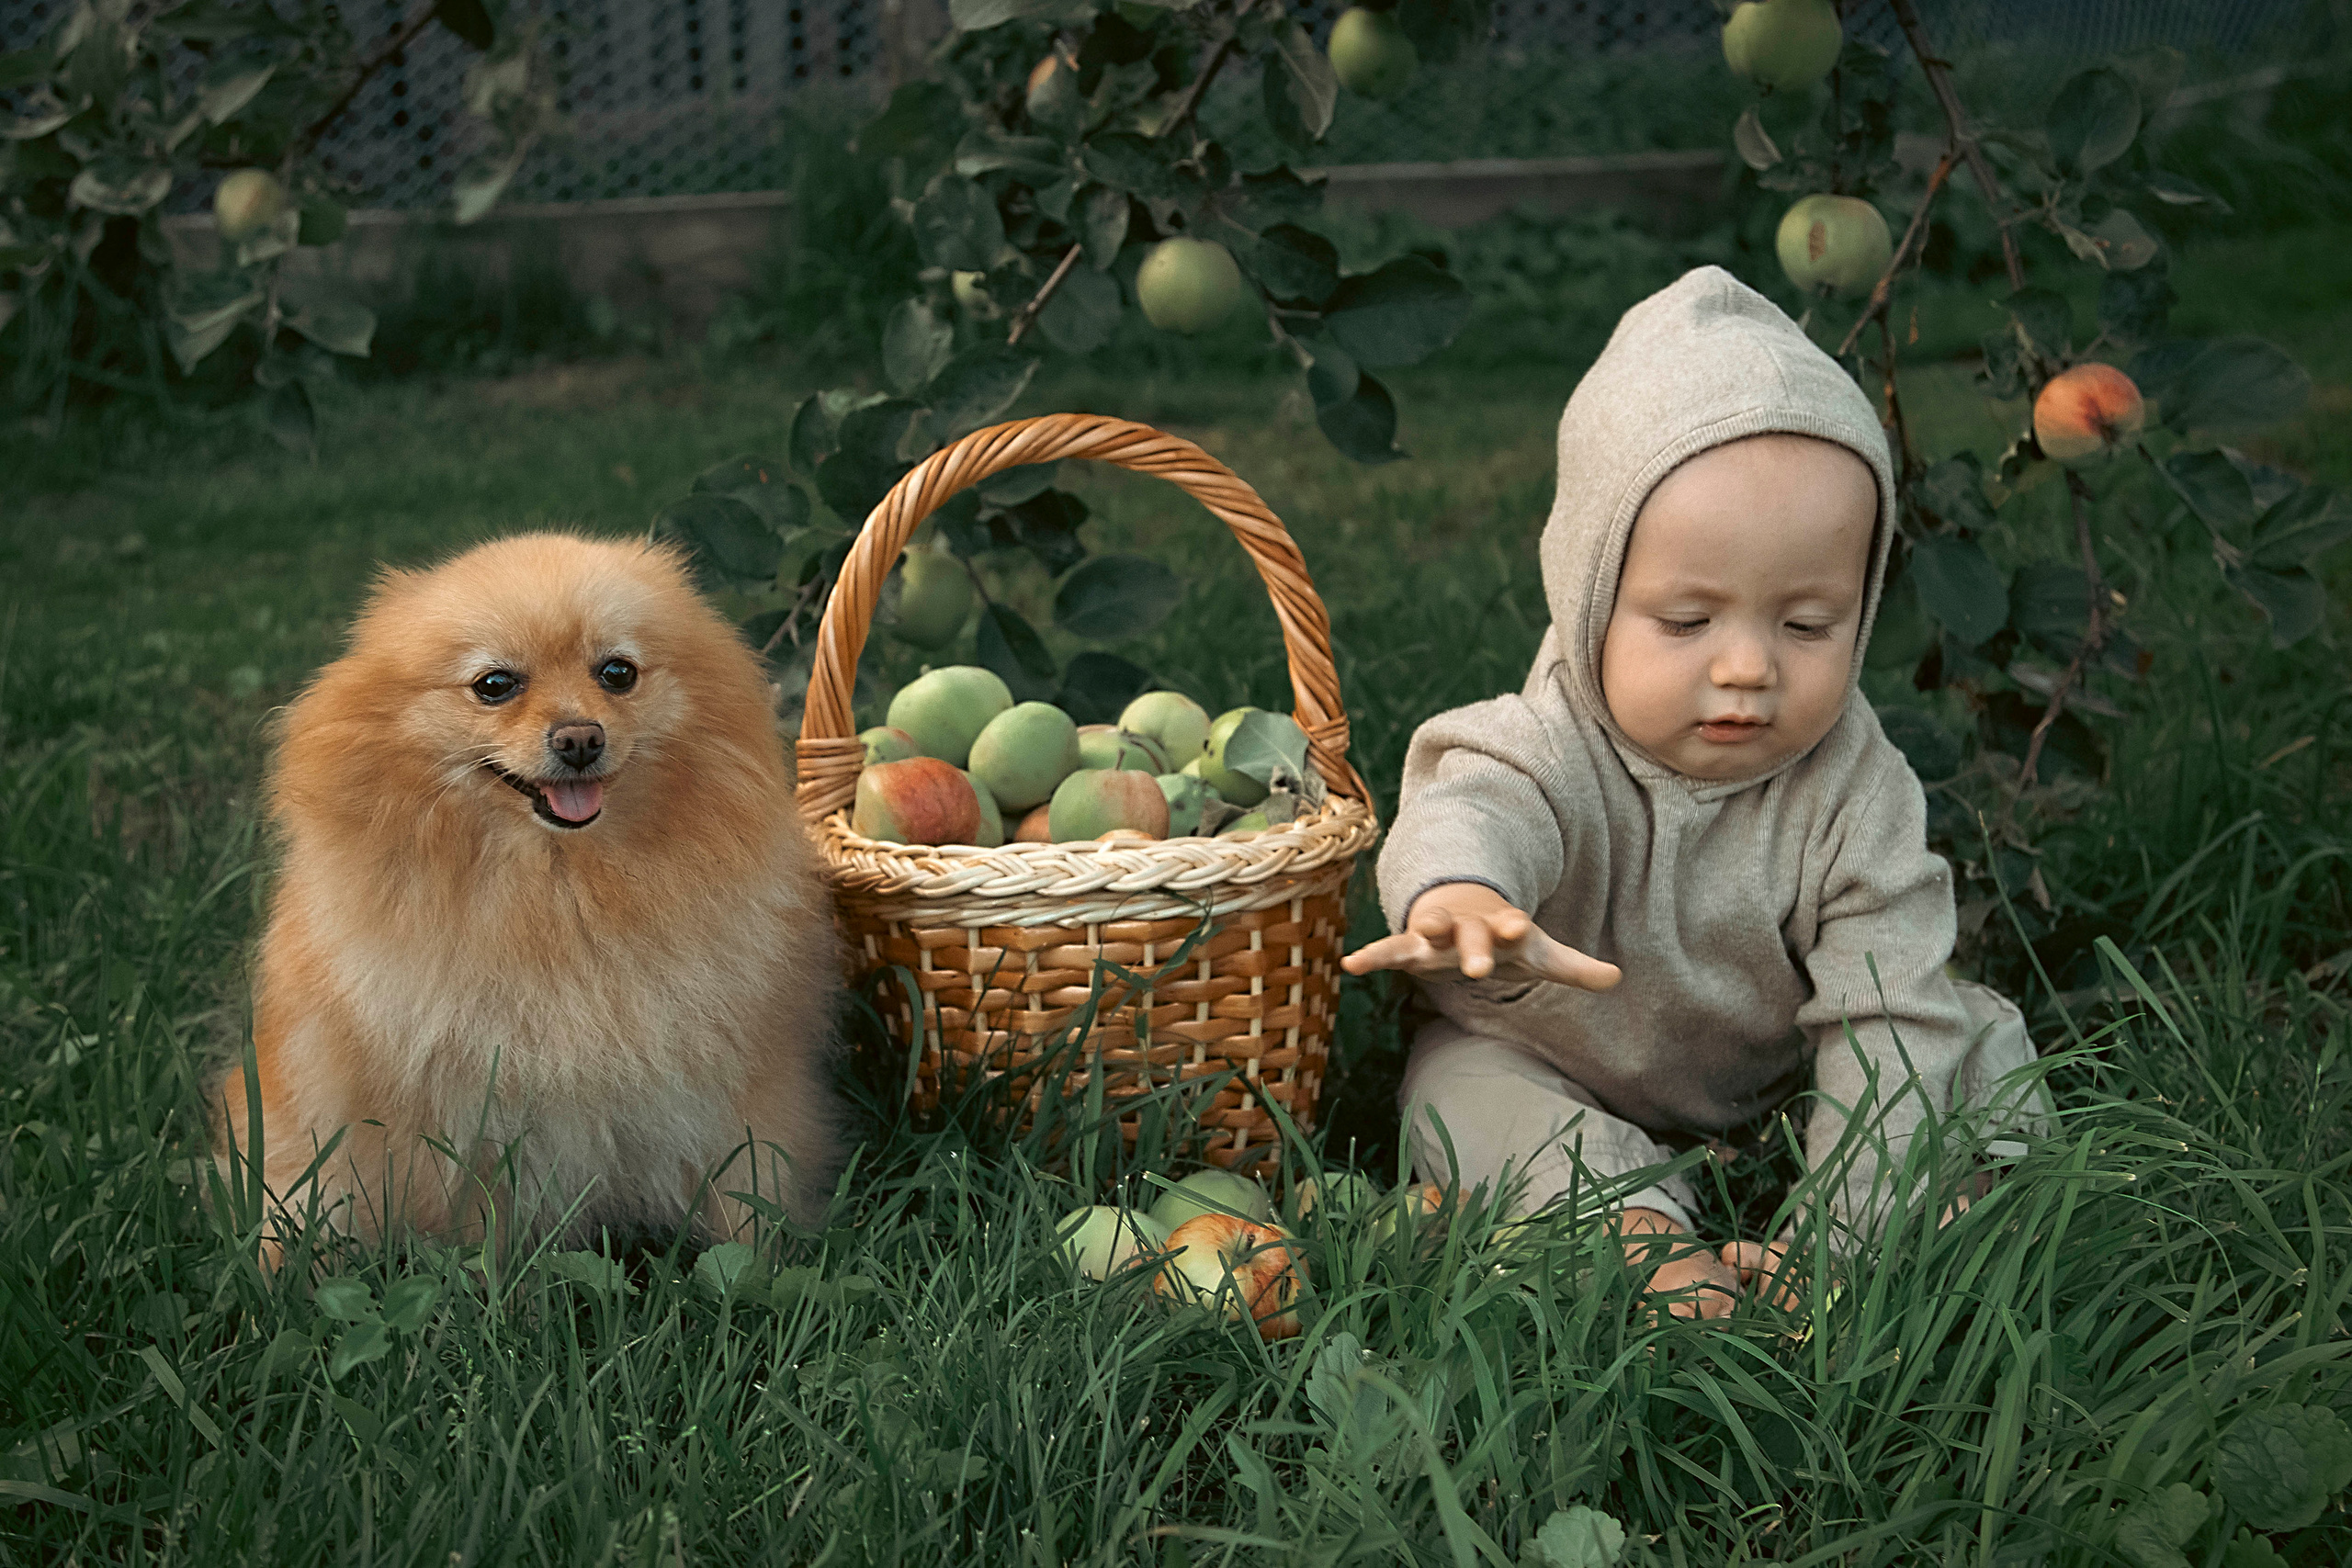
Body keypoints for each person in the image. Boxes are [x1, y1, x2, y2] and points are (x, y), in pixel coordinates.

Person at [1341, 266, 2052, 1319]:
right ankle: (1631, 1233)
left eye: (1807, 624)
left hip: (1778, 1071)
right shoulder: (1548, 739)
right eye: (1686, 622)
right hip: (1555, 1052)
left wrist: (1846, 1229)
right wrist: (1459, 894)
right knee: (1458, 1094)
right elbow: (1472, 798)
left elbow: (1882, 1012)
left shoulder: (1857, 788)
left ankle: (1914, 1215)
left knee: (1965, 1035)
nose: (1747, 668)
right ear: (1588, 592)